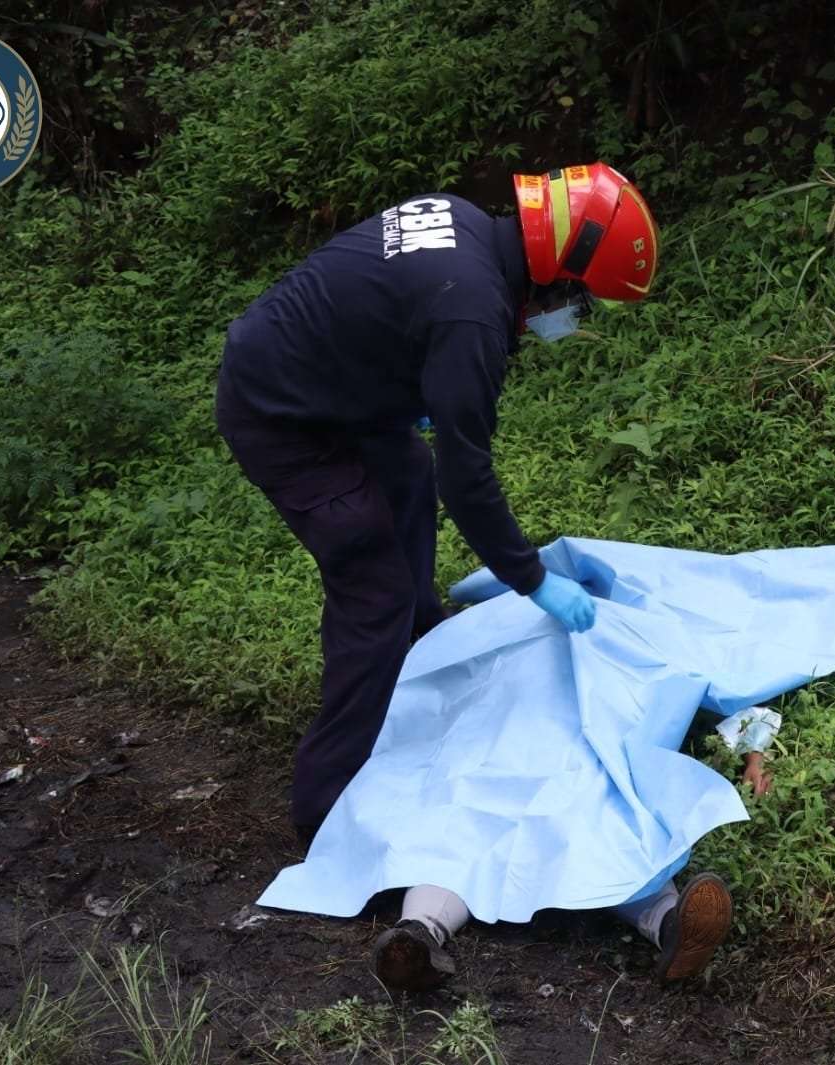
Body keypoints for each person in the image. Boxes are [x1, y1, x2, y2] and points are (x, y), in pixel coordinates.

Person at [213, 163, 659, 848]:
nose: (575, 318)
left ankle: (421, 647)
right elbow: (468, 478)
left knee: (409, 472)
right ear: (557, 274)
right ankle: (326, 805)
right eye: (581, 300)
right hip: (280, 415)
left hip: (318, 381)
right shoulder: (472, 314)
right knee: (373, 584)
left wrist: (407, 388)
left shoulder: (461, 220)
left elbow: (378, 307)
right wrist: (534, 579)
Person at [370, 707, 780, 990]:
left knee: (584, 801)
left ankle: (674, 927)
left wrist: (755, 752)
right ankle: (414, 939)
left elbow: (725, 672)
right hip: (525, 720)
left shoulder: (658, 624)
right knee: (492, 796)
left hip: (595, 730)